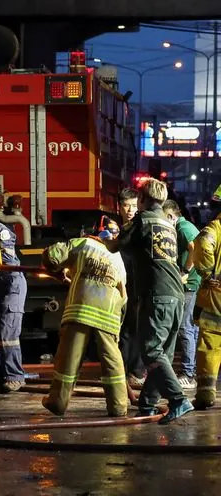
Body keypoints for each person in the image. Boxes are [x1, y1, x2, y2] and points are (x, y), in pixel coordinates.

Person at [116, 178, 193, 424]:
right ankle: (148, 404)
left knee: (151, 350)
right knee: (164, 354)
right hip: (176, 295)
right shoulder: (168, 223)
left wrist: (97, 241)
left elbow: (117, 246)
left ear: (142, 199)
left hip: (157, 296)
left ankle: (178, 400)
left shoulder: (141, 220)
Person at [40, 216, 128, 417]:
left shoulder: (84, 243)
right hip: (109, 316)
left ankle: (57, 402)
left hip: (81, 311)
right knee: (112, 361)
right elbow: (124, 295)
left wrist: (58, 270)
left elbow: (52, 256)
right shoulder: (118, 257)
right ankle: (119, 406)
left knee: (68, 359)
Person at [0, 199, 27, 393]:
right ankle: (1, 375)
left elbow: (7, 264)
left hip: (10, 286)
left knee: (7, 332)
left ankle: (15, 376)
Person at [164, 200, 200, 391]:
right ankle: (190, 370)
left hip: (189, 284)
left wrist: (185, 271)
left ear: (171, 216)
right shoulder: (186, 226)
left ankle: (188, 374)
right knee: (190, 328)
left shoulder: (183, 228)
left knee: (184, 327)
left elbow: (195, 248)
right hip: (193, 284)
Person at [190, 195, 221, 410]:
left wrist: (207, 272)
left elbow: (202, 244)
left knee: (210, 343)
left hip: (216, 296)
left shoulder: (215, 228)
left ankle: (206, 394)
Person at [115, 187, 145, 392]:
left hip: (138, 285)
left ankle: (136, 371)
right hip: (120, 285)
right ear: (119, 207)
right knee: (122, 329)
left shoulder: (141, 227)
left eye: (134, 205)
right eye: (126, 206)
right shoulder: (118, 229)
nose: (130, 210)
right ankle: (122, 372)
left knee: (135, 328)